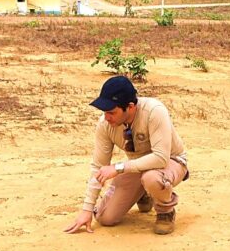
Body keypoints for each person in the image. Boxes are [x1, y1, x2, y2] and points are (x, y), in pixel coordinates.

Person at [64, 76, 188, 235]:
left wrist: (119, 167)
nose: (106, 117)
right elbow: (98, 167)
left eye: (111, 112)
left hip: (171, 162)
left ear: (130, 107)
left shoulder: (154, 111)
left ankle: (165, 211)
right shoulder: (105, 125)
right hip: (137, 166)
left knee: (151, 178)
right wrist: (87, 210)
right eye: (104, 111)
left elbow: (160, 158)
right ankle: (143, 193)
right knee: (105, 218)